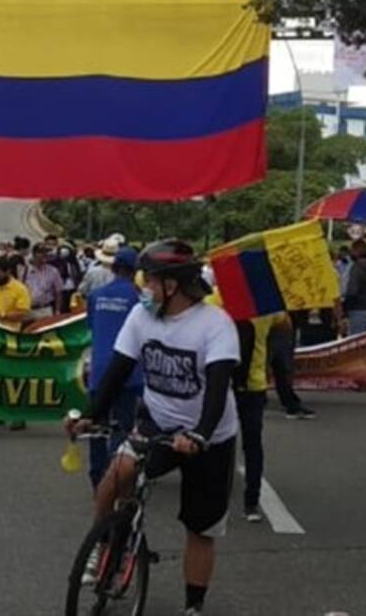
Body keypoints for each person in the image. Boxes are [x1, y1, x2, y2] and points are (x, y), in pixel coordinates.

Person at [68, 240, 239, 616]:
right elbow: (118, 369)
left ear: (172, 285)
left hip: (208, 436)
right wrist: (90, 415)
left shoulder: (215, 324)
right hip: (157, 420)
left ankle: (193, 606)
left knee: (200, 527)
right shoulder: (141, 317)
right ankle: (106, 542)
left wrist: (200, 435)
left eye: (149, 282)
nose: (143, 289)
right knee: (115, 475)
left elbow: (217, 386)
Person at [84, 247, 143, 488]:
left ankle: (98, 477)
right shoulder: (139, 299)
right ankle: (116, 476)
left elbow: (91, 327)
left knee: (97, 426)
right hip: (128, 373)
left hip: (99, 372)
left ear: (114, 267)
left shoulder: (96, 296)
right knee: (122, 426)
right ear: (135, 270)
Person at [234, 311, 292, 521]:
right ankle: (251, 503)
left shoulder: (215, 303)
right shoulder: (264, 309)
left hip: (224, 384)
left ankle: (212, 495)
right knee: (253, 444)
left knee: (218, 441)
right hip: (254, 384)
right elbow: (286, 323)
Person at [0, 256, 32, 325]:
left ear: (8, 272)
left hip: (8, 332)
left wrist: (1, 315)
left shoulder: (20, 289)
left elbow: (23, 315)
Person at [25, 244, 63, 318]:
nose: (44, 255)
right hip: (28, 310)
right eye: (41, 253)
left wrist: (57, 310)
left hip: (45, 310)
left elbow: (58, 292)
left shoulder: (53, 271)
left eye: (46, 253)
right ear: (34, 254)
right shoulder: (25, 270)